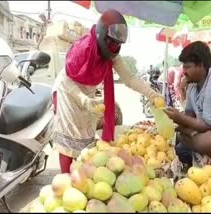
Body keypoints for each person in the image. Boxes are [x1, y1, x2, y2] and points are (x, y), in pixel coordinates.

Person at [52, 9, 164, 173]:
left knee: (85, 140)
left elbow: (130, 79)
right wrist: (84, 100)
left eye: (118, 44)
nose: (115, 47)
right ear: (102, 35)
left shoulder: (111, 56)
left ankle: (81, 176)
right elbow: (67, 80)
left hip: (87, 96)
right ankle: (66, 178)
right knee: (69, 141)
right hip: (68, 92)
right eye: (112, 43)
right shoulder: (83, 49)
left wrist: (151, 94)